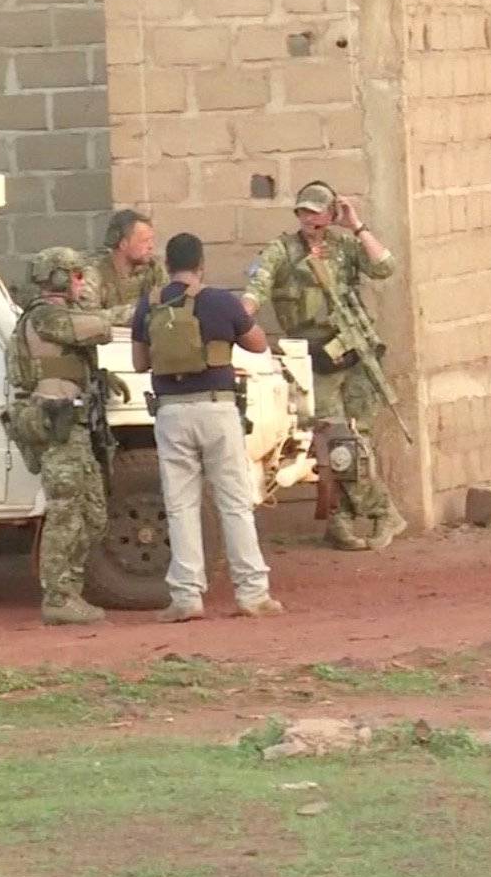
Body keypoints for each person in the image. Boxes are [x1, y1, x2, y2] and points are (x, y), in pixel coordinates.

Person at [242, 181, 406, 552]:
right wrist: (238, 318)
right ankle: (383, 512)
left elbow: (385, 266)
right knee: (335, 443)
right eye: (303, 211)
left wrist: (357, 226)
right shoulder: (282, 252)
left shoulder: (345, 246)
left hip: (355, 354)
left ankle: (342, 519)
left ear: (331, 214)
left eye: (317, 212)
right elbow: (256, 289)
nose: (309, 218)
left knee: (358, 441)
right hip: (315, 359)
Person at [132, 232, 283, 623]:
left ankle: (186, 597)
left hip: (171, 413)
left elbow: (138, 363)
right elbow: (257, 344)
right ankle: (252, 593)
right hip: (217, 410)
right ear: (202, 265)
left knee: (181, 507)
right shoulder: (220, 301)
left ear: (167, 266)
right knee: (233, 503)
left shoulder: (149, 304)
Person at [3, 246, 113, 626]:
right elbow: (98, 329)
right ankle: (58, 597)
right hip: (56, 424)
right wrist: (117, 312)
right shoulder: (46, 316)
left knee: (93, 513)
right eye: (76, 276)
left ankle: (72, 590)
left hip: (74, 424)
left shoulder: (58, 317)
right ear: (60, 278)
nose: (81, 282)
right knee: (65, 511)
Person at [80, 209, 167, 325]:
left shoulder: (154, 269)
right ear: (123, 243)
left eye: (151, 240)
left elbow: (168, 309)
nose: (151, 246)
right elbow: (88, 318)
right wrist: (134, 313)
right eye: (145, 241)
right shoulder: (94, 273)